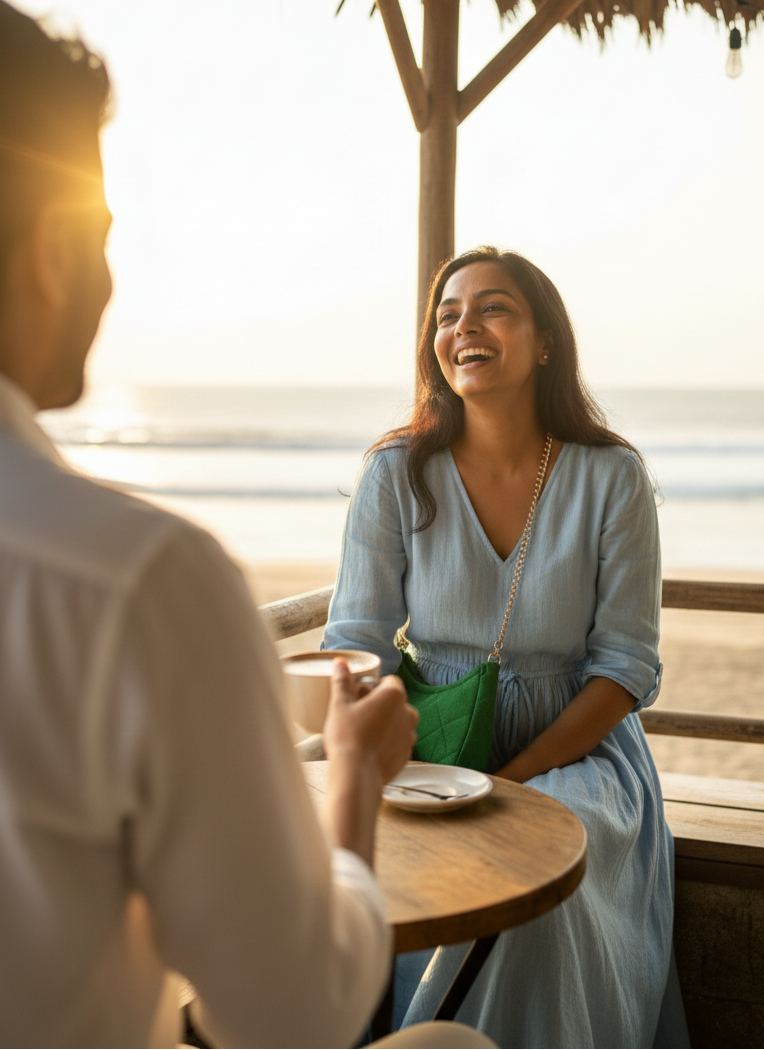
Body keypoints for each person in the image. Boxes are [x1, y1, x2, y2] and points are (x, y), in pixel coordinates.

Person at [0, 6, 501, 1048]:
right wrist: (355, 780)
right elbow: (287, 1017)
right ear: (52, 249)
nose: (109, 277)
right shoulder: (137, 584)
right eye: (101, 234)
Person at [323, 247, 691, 1048]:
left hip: (581, 756)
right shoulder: (396, 472)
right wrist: (384, 757)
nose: (464, 327)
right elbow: (355, 641)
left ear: (544, 340)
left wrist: (513, 779)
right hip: (434, 745)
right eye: (447, 314)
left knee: (533, 898)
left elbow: (625, 666)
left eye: (493, 308)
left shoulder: (611, 475)